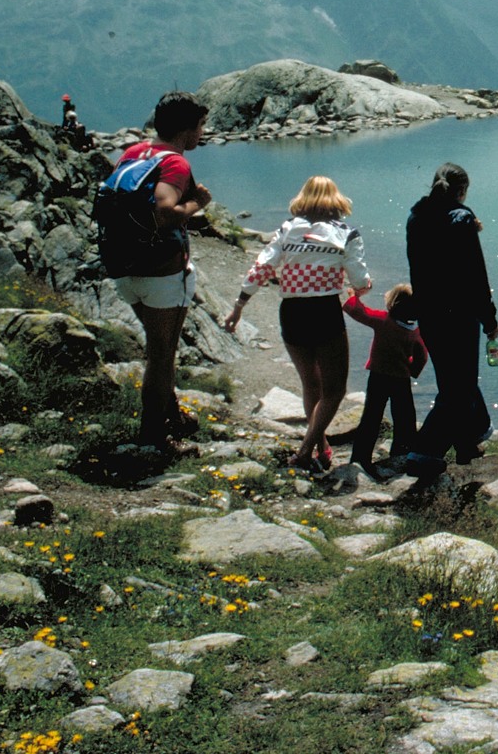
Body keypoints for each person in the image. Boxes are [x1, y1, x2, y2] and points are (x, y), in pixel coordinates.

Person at [222, 176, 372, 473]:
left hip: (291, 312)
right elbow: (359, 280)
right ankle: (305, 451)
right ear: (336, 200)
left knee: (311, 384)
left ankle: (321, 446)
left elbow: (262, 267)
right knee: (335, 390)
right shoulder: (346, 233)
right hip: (324, 311)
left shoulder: (287, 229)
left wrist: (239, 306)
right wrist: (362, 287)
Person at [107, 91, 213, 456]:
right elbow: (165, 211)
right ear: (186, 129)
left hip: (123, 268)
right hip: (162, 273)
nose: (202, 133)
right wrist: (197, 202)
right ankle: (154, 437)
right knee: (162, 354)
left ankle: (172, 415)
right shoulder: (176, 163)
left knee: (159, 346)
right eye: (200, 126)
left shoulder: (133, 153)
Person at [400, 163, 498, 479]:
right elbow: (476, 277)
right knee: (459, 387)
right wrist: (489, 319)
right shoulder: (462, 220)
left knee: (453, 380)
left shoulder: (416, 218)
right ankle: (424, 451)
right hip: (459, 317)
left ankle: (468, 442)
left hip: (429, 314)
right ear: (462, 191)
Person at [340, 283, 429, 478]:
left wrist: (353, 296)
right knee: (404, 416)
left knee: (371, 416)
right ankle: (402, 452)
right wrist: (412, 370)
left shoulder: (383, 320)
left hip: (378, 376)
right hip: (401, 379)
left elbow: (359, 312)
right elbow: (422, 356)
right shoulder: (415, 333)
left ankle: (361, 457)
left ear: (393, 303)